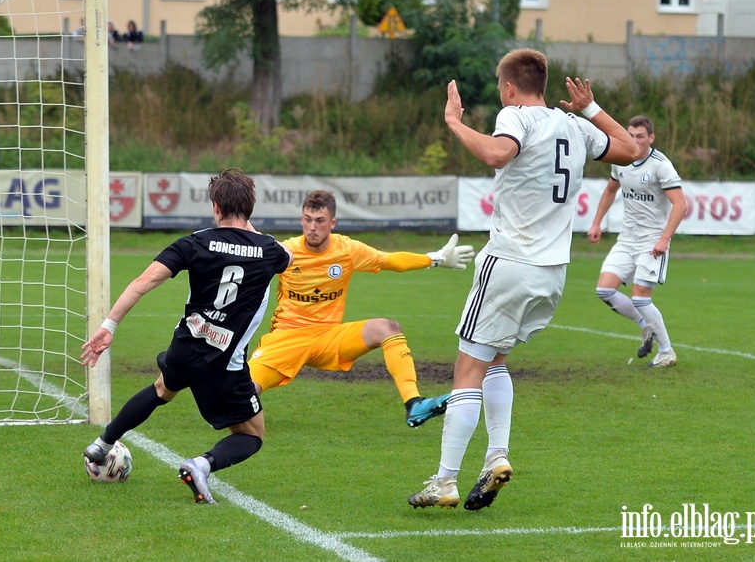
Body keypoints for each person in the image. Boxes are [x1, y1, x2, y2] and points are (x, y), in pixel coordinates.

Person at [407, 48, 641, 512]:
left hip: (510, 262)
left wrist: (455, 122)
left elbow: (497, 154)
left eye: (501, 87)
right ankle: (495, 456)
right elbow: (632, 150)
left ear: (510, 87)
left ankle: (445, 480)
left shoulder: (516, 116)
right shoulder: (574, 126)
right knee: (494, 361)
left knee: (466, 370)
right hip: (552, 274)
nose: (501, 94)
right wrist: (592, 107)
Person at [81, 169, 292, 505]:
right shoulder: (271, 251)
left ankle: (104, 444)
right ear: (250, 208)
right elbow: (281, 254)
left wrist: (108, 327)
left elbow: (143, 282)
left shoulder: (194, 242)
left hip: (185, 346)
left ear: (216, 207)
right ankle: (201, 465)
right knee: (252, 435)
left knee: (163, 388)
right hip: (224, 363)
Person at [248, 189, 474, 428]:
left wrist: (435, 258)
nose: (312, 227)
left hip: (329, 338)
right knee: (242, 393)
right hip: (287, 338)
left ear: (332, 223)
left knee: (387, 328)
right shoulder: (285, 252)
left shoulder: (347, 250)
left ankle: (414, 404)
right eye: (308, 219)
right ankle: (226, 409)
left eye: (320, 221)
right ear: (302, 220)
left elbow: (390, 260)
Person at [587, 115, 686, 369]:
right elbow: (611, 190)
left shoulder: (660, 165)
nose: (635, 141)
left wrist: (665, 238)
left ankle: (666, 352)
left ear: (651, 138)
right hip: (627, 239)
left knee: (641, 298)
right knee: (604, 290)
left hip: (652, 241)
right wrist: (597, 222)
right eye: (630, 135)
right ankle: (646, 327)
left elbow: (680, 204)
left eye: (640, 136)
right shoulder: (621, 161)